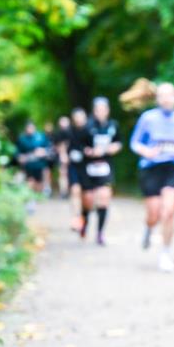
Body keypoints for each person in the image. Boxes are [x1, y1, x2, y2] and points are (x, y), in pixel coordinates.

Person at [129, 82, 174, 272]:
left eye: (170, 95)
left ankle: (165, 253)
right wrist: (146, 151)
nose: (166, 99)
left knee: (169, 212)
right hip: (151, 169)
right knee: (154, 214)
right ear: (157, 99)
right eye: (162, 95)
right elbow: (135, 143)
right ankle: (149, 228)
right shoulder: (148, 118)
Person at [80, 97, 121, 245]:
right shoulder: (87, 126)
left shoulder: (113, 126)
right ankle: (84, 222)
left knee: (104, 198)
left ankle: (100, 233)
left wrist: (113, 148)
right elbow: (79, 147)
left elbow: (118, 142)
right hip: (88, 168)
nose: (101, 112)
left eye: (104, 109)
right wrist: (90, 152)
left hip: (105, 166)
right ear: (94, 110)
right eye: (98, 109)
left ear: (108, 110)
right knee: (88, 201)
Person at [66, 108, 89, 232]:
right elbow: (64, 146)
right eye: (77, 117)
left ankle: (84, 219)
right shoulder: (69, 131)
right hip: (74, 166)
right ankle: (75, 218)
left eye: (81, 117)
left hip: (87, 167)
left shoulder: (90, 131)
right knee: (75, 190)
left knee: (86, 197)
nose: (79, 120)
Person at [15, 121, 51, 198]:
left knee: (39, 183)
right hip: (28, 165)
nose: (30, 129)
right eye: (28, 128)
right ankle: (31, 199)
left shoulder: (41, 137)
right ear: (26, 129)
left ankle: (38, 197)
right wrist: (20, 157)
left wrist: (43, 151)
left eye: (31, 128)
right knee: (30, 181)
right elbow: (17, 152)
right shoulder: (22, 139)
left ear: (35, 128)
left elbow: (49, 148)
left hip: (39, 164)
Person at [52, 115, 72, 199]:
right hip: (61, 156)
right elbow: (56, 146)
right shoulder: (57, 134)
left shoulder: (72, 131)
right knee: (63, 173)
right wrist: (62, 154)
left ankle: (70, 191)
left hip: (72, 156)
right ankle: (64, 192)